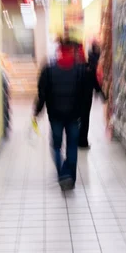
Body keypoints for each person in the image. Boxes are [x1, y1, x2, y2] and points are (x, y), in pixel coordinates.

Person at [34, 38, 86, 191]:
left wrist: (37, 112)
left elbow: (41, 94)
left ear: (58, 51)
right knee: (72, 147)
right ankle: (71, 178)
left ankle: (63, 173)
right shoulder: (79, 70)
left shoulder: (48, 70)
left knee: (56, 146)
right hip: (74, 115)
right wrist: (82, 114)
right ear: (72, 51)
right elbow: (84, 95)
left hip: (55, 115)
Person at [79, 41, 102, 148]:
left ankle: (76, 140)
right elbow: (94, 82)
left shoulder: (73, 68)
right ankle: (82, 141)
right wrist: (101, 93)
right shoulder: (89, 67)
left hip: (75, 97)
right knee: (84, 119)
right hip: (86, 98)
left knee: (76, 119)